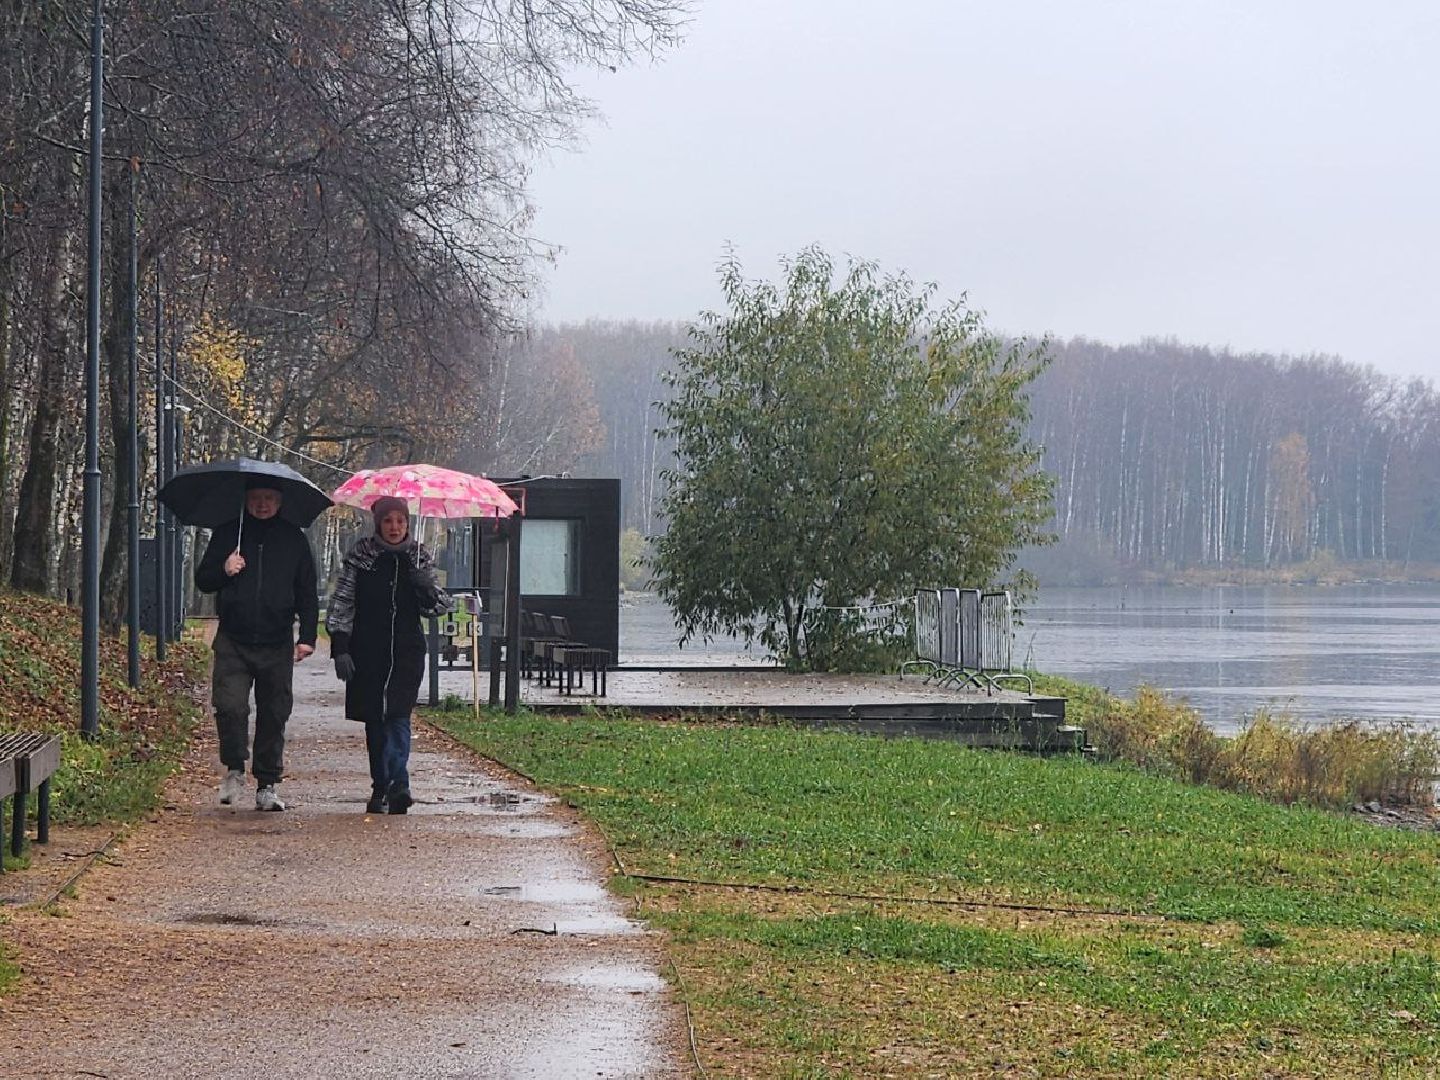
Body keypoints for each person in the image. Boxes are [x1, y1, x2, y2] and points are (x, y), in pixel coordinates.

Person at [195, 478, 319, 811]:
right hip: (234, 639)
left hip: (276, 642)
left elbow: (308, 591)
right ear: (245, 500)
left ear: (280, 502)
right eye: (255, 498)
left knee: (274, 712)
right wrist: (225, 568)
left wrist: (307, 636)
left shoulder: (293, 539)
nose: (262, 504)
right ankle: (234, 767)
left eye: (269, 498)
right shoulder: (228, 534)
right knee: (230, 705)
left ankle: (267, 784)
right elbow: (203, 580)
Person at [326, 496, 454, 814]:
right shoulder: (361, 558)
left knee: (397, 716)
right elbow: (342, 603)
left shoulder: (419, 558)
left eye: (400, 520)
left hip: (407, 652)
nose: (394, 527)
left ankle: (399, 784)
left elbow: (437, 608)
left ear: (407, 523)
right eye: (388, 521)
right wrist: (340, 647)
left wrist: (425, 586)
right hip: (368, 651)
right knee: (375, 720)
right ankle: (380, 785)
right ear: (378, 524)